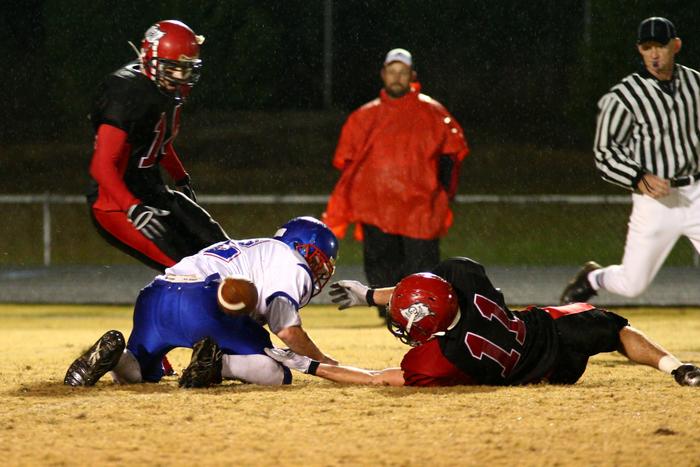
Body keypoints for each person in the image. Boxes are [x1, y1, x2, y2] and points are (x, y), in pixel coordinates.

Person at [264, 257, 700, 387]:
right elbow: (426, 289)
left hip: (548, 374)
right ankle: (678, 368)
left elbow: (377, 377)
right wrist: (371, 295)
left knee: (612, 329)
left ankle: (676, 367)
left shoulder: (441, 357)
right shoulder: (465, 276)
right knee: (614, 328)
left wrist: (311, 366)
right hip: (548, 329)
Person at [64, 216, 339, 388]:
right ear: (304, 249)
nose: (319, 271)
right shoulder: (292, 262)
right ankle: (217, 363)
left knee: (137, 372)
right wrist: (323, 362)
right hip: (204, 303)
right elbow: (286, 329)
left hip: (155, 296)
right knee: (277, 372)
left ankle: (115, 357)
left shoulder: (255, 248)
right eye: (319, 262)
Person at [560, 17, 700, 305]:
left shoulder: (695, 83)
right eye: (647, 47)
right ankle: (593, 278)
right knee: (632, 284)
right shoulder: (624, 96)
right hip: (655, 201)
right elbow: (605, 152)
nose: (654, 54)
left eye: (660, 46)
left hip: (696, 192)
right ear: (639, 49)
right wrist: (638, 177)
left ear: (676, 45)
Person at [322, 48, 469, 319]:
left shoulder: (433, 112)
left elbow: (451, 155)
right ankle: (390, 314)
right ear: (383, 74)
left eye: (402, 72)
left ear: (412, 75)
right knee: (382, 265)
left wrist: (444, 192)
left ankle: (423, 314)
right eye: (392, 72)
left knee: (421, 267)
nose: (397, 77)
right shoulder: (365, 116)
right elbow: (348, 163)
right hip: (376, 207)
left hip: (420, 207)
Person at [87, 19, 229, 273]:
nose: (181, 77)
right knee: (189, 271)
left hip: (153, 192)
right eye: (173, 68)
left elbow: (159, 143)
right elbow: (101, 166)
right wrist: (132, 207)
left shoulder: (166, 92)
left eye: (186, 69)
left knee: (224, 252)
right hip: (114, 203)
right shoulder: (128, 92)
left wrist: (180, 177)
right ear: (152, 60)